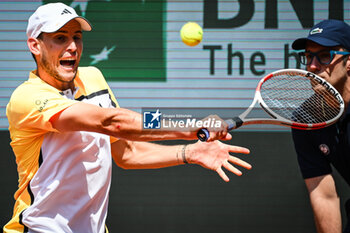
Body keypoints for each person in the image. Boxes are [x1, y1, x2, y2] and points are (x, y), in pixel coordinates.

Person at [3, 2, 252, 233]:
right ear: (35, 45)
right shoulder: (27, 98)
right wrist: (192, 125)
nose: (72, 47)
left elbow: (127, 153)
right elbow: (115, 122)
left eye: (76, 37)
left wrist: (190, 152)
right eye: (60, 38)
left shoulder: (92, 78)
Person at [291, 19, 350, 233]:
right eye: (308, 56)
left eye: (325, 55)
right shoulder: (305, 119)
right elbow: (324, 195)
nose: (312, 66)